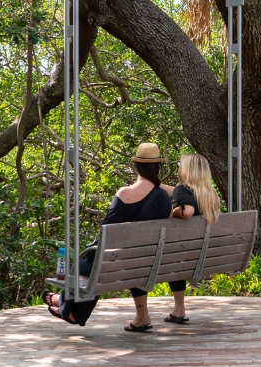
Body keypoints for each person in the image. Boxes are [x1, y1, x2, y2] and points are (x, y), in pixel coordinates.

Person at [43, 142, 172, 331]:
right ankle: (65, 304)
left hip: (118, 263)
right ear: (157, 167)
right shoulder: (165, 197)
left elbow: (107, 230)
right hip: (148, 261)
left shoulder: (126, 193)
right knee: (95, 265)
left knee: (83, 264)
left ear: (136, 166)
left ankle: (68, 309)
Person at [159, 153, 220, 324]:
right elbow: (180, 193)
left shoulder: (182, 191)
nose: (177, 168)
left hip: (183, 256)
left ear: (186, 170)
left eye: (179, 164)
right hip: (205, 254)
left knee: (171, 256)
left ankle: (179, 308)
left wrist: (173, 211)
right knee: (175, 256)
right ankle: (178, 309)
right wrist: (157, 185)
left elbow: (187, 211)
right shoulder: (208, 194)